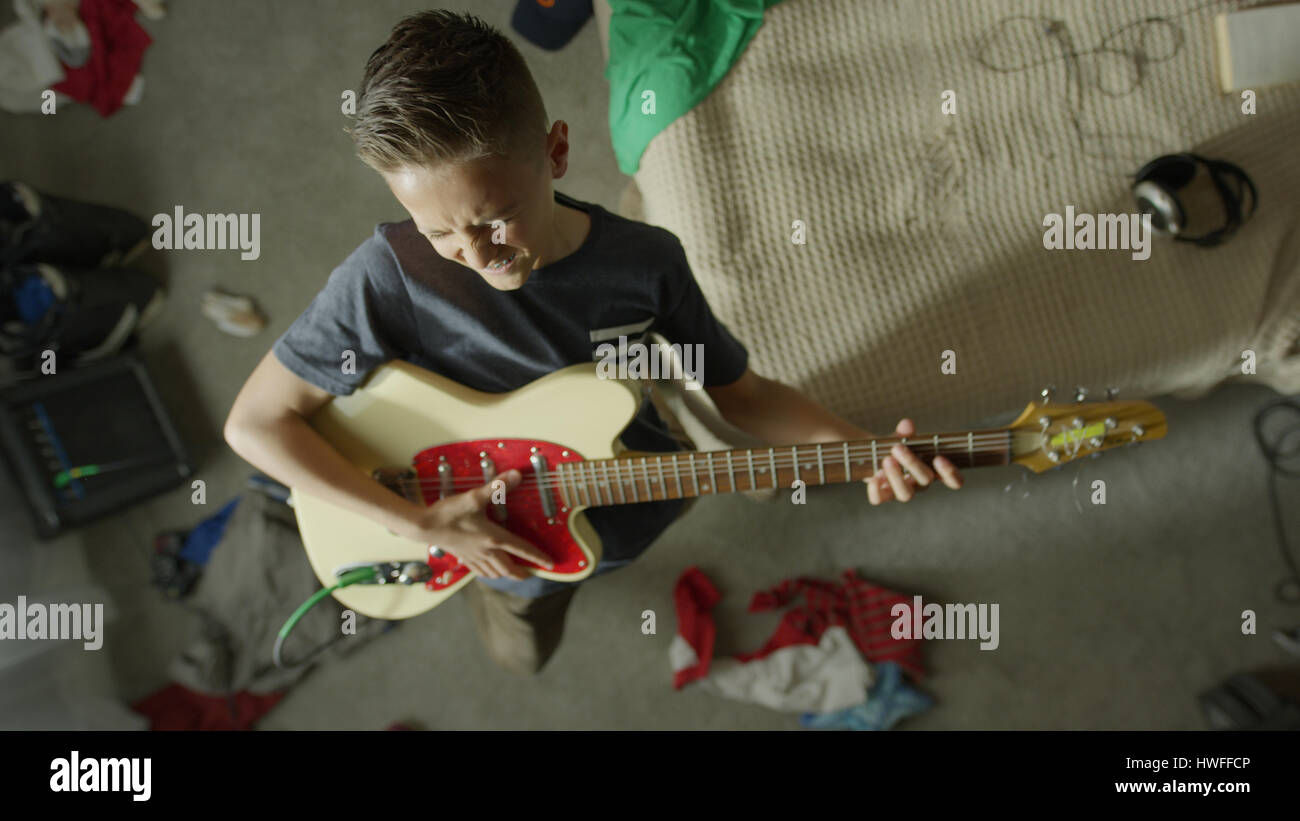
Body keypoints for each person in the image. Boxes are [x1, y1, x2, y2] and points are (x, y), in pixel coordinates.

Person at [223, 10, 963, 676]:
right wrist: (413, 521)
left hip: (631, 494)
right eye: (439, 231)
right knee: (522, 643)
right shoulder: (383, 279)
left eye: (495, 218)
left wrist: (864, 448)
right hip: (500, 551)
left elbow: (743, 394)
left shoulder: (644, 263)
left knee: (625, 540)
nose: (476, 254)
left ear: (556, 150)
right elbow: (254, 423)